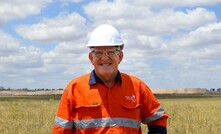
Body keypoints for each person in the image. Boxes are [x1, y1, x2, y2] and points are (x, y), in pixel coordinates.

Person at [52, 24, 168, 134]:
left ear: (120, 57)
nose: (104, 58)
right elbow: (60, 130)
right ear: (91, 58)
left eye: (111, 52)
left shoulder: (137, 86)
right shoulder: (74, 88)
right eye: (98, 52)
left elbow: (158, 119)